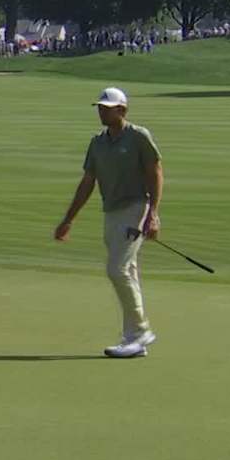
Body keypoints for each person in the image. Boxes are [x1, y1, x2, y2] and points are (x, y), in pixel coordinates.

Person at [54, 87, 163, 358]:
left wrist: (153, 214)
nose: (101, 111)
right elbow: (88, 183)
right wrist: (68, 219)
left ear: (122, 110)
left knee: (117, 270)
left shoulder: (138, 137)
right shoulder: (97, 143)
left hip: (136, 207)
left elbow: (155, 172)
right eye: (100, 107)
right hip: (111, 212)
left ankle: (140, 330)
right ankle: (133, 340)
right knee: (129, 272)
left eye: (107, 107)